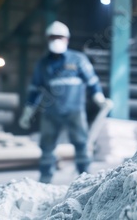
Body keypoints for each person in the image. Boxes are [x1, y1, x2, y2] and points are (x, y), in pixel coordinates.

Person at [18, 21, 111, 183]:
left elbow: (92, 82)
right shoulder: (42, 64)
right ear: (47, 39)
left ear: (67, 39)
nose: (56, 40)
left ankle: (85, 179)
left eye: (59, 37)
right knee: (47, 147)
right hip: (50, 113)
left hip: (74, 111)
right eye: (53, 37)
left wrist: (99, 99)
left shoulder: (78, 60)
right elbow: (34, 91)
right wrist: (28, 113)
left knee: (81, 145)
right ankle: (45, 180)